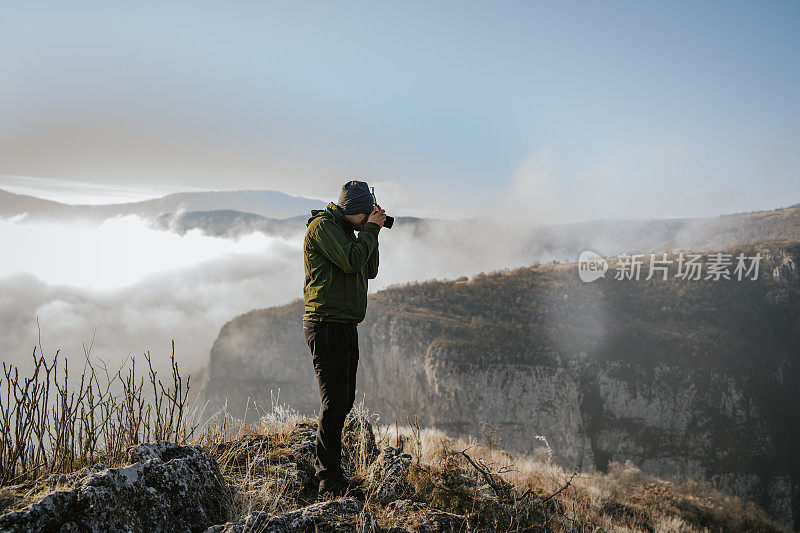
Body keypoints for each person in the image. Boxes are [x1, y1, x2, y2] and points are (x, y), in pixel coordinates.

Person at [301, 180, 387, 498]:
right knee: (334, 403)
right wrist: (371, 231)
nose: (369, 219)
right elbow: (352, 261)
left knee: (345, 401)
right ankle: (328, 480)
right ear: (354, 210)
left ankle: (333, 474)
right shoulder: (323, 228)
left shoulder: (350, 232)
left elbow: (369, 269)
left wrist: (371, 232)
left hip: (345, 325)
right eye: (365, 213)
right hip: (325, 324)